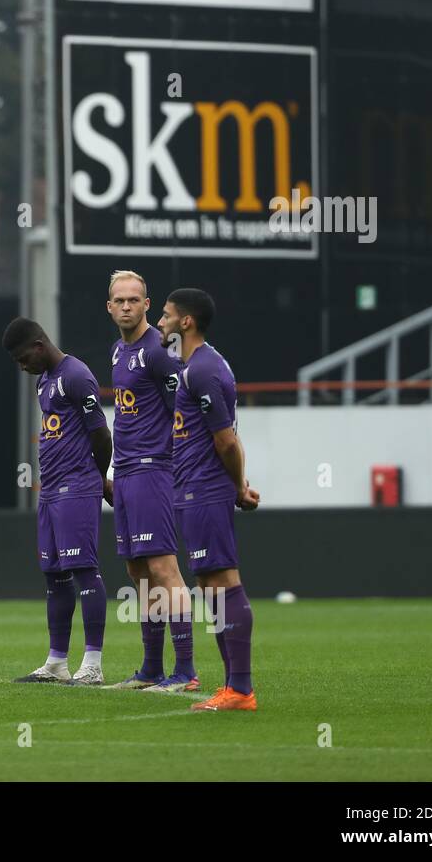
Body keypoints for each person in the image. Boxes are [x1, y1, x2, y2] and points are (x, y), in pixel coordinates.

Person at [155, 289, 261, 712]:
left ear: (186, 322)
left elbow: (226, 439)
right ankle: (234, 687)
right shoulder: (196, 366)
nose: (160, 323)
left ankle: (241, 689)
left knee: (222, 583)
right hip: (193, 490)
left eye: (165, 316)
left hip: (204, 490)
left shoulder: (202, 370)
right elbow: (227, 433)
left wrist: (237, 486)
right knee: (210, 587)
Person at [3, 317, 112, 686]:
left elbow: (100, 433)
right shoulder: (44, 382)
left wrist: (97, 478)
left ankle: (93, 664)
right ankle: (57, 663)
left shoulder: (76, 375)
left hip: (77, 486)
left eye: (22, 359)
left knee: (84, 570)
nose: (22, 367)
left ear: (38, 346)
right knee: (54, 575)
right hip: (50, 490)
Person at [103, 271, 198, 693]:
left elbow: (181, 409)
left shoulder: (159, 351)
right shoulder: (117, 352)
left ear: (146, 304)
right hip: (124, 473)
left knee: (164, 569)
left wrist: (177, 464)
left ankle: (186, 671)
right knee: (138, 572)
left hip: (152, 469)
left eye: (134, 300)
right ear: (109, 307)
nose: (126, 306)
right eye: (119, 300)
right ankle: (151, 669)